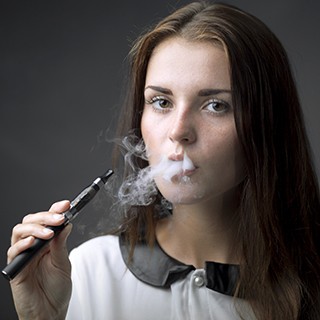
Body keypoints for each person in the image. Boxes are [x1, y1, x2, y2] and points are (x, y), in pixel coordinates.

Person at [6, 1, 320, 319]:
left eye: (216, 105)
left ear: (268, 123)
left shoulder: (308, 283)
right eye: (161, 101)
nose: (178, 131)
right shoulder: (88, 274)